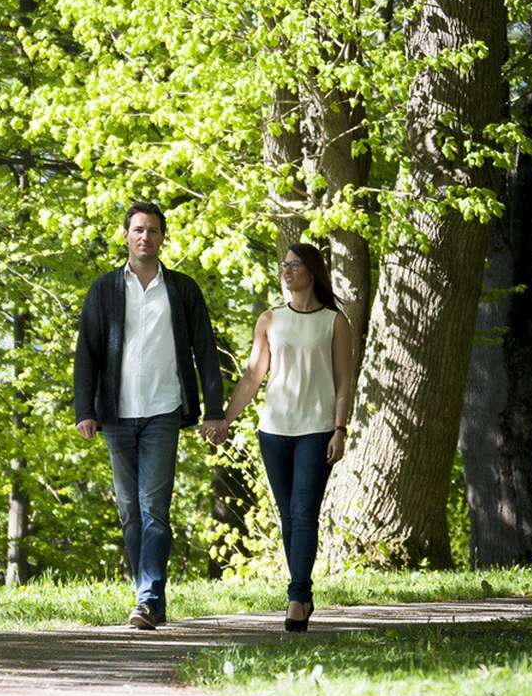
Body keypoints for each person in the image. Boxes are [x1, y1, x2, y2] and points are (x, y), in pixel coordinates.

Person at [74, 202, 227, 630]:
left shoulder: (181, 290)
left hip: (164, 410)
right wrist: (84, 409)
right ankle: (149, 598)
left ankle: (148, 597)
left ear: (163, 238)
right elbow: (86, 352)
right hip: (117, 415)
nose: (146, 237)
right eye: (138, 230)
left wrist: (214, 411)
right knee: (129, 510)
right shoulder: (104, 289)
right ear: (126, 236)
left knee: (154, 508)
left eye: (154, 231)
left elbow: (205, 352)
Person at [210, 243, 354, 632]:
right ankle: (304, 596)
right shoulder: (270, 319)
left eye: (295, 264)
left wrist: (340, 429)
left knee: (305, 512)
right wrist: (225, 419)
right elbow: (252, 377)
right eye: (284, 265)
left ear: (312, 271)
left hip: (317, 428)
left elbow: (344, 382)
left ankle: (295, 596)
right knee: (289, 515)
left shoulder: (333, 321)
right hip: (274, 431)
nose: (287, 271)